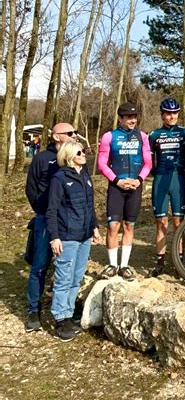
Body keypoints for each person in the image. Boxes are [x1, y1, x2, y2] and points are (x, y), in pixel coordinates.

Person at [25, 123, 78, 332]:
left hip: (69, 222)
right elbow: (31, 189)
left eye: (75, 133)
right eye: (69, 133)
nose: (74, 135)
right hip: (46, 220)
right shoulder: (41, 159)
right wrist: (44, 212)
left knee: (68, 268)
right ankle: (33, 310)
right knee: (39, 266)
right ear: (57, 136)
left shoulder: (74, 157)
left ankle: (65, 312)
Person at [46, 141, 101, 341]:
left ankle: (68, 314)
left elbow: (90, 205)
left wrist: (94, 227)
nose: (83, 154)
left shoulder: (85, 175)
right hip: (66, 237)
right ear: (69, 156)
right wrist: (55, 237)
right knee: (64, 279)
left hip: (84, 235)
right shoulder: (59, 179)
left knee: (76, 278)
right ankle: (60, 320)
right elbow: (51, 211)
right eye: (79, 152)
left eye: (84, 151)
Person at [98, 102, 152, 281]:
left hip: (135, 185)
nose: (132, 120)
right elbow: (101, 164)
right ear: (120, 118)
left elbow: (148, 163)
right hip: (116, 186)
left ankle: (124, 265)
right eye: (128, 117)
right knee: (113, 225)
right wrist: (117, 181)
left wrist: (138, 180)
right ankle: (112, 265)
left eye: (135, 117)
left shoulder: (143, 136)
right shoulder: (109, 137)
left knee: (129, 225)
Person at [148, 98, 185, 276]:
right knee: (161, 222)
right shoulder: (154, 135)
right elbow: (148, 161)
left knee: (178, 223)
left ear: (178, 114)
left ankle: (179, 263)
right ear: (162, 114)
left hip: (178, 180)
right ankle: (160, 263)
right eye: (168, 113)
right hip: (160, 180)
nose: (171, 116)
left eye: (174, 113)